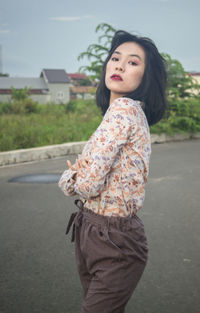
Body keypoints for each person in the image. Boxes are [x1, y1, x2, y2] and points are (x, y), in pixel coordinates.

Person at [58, 30, 167, 313]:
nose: (119, 65)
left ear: (146, 77)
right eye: (116, 58)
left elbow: (87, 184)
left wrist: (70, 178)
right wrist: (80, 173)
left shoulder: (124, 111)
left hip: (111, 238)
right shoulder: (123, 112)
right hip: (98, 232)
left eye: (133, 62)